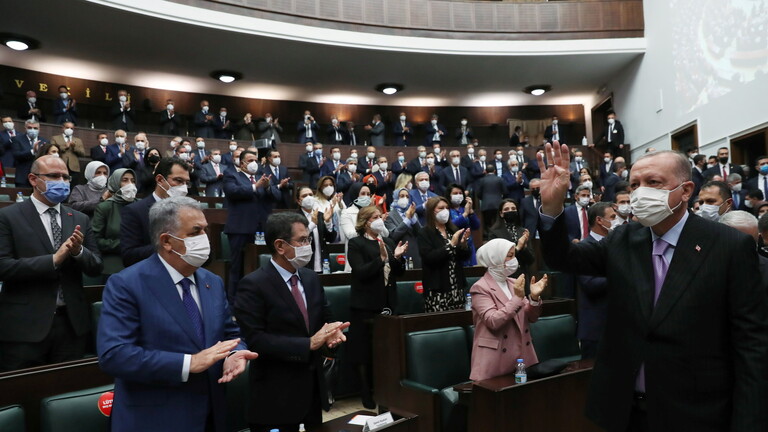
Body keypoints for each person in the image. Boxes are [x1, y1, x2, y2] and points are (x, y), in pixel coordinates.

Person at [536, 143, 768, 431]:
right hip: (624, 410)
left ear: (686, 191)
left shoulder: (729, 246)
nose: (640, 192)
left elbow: (751, 343)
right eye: (634, 184)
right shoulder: (623, 238)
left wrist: (749, 422)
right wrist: (552, 206)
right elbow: (563, 257)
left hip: (696, 412)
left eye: (653, 182)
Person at [98, 196, 256, 432]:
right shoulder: (126, 284)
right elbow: (115, 355)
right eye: (195, 232)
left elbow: (230, 334)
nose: (205, 238)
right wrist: (188, 363)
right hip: (156, 418)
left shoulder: (211, 281)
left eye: (205, 230)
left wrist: (235, 353)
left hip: (211, 414)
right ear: (167, 241)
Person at [234, 212, 349, 432]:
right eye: (302, 240)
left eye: (308, 239)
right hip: (276, 395)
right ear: (280, 246)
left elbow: (325, 317)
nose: (308, 245)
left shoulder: (310, 277)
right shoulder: (253, 284)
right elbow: (256, 340)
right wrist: (308, 344)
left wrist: (333, 332)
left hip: (312, 391)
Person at [0, 156, 103, 371]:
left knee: (66, 393)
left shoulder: (79, 218)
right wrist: (53, 260)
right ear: (33, 179)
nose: (62, 181)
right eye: (54, 176)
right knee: (23, 395)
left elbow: (96, 266)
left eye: (66, 177)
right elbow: (4, 267)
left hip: (71, 325)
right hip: (24, 328)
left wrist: (78, 252)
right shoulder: (7, 217)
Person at [348, 205, 407, 408]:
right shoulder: (356, 243)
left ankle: (386, 390)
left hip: (388, 303)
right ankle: (366, 393)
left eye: (380, 216)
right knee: (365, 352)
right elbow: (361, 272)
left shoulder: (388, 241)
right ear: (365, 222)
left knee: (387, 351)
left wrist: (397, 258)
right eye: (375, 217)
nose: (380, 219)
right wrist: (381, 260)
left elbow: (398, 273)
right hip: (365, 305)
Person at [469, 239, 547, 381]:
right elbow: (493, 321)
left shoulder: (512, 282)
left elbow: (531, 317)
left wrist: (534, 299)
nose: (514, 260)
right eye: (509, 256)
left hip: (522, 356)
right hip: (495, 359)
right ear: (494, 258)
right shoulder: (480, 288)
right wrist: (517, 298)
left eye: (514, 256)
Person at [222, 150, 275, 302]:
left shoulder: (262, 177)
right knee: (237, 267)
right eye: (250, 160)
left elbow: (276, 196)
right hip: (240, 228)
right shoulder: (232, 175)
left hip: (261, 229)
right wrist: (254, 187)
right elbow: (232, 192)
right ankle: (233, 303)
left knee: (260, 266)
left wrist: (267, 187)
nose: (254, 163)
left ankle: (256, 300)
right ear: (242, 162)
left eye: (256, 160)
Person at [120, 157, 191, 267]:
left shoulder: (190, 212)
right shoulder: (135, 211)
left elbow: (207, 256)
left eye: (186, 183)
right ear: (160, 180)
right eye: (178, 181)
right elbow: (129, 256)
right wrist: (169, 244)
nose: (184, 187)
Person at [576, 202, 615, 360]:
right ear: (599, 220)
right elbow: (590, 284)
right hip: (596, 327)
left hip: (618, 325)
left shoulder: (617, 245)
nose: (616, 221)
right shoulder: (584, 249)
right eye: (612, 217)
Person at [418, 197, 471, 312]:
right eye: (441, 208)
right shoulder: (425, 232)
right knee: (441, 324)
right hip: (437, 288)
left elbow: (464, 257)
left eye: (447, 208)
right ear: (432, 211)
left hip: (456, 285)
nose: (445, 210)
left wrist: (463, 244)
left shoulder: (453, 229)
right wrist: (451, 244)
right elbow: (430, 258)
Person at [93, 168, 137, 278]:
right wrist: (123, 244)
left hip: (139, 263)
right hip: (113, 265)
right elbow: (96, 240)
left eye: (133, 181)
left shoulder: (140, 205)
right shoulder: (105, 207)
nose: (130, 184)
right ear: (116, 183)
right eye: (125, 180)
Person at [488, 199, 534, 284]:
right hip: (504, 279)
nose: (510, 211)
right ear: (501, 214)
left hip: (522, 277)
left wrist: (524, 248)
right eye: (506, 209)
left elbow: (531, 260)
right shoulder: (494, 233)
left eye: (513, 209)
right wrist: (518, 248)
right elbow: (497, 259)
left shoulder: (523, 231)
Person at [295, 186, 337, 273]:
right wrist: (312, 224)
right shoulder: (294, 218)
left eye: (311, 195)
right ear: (299, 201)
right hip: (305, 264)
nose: (308, 197)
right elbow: (297, 238)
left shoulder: (321, 215)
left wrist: (328, 222)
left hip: (323, 264)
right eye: (304, 196)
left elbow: (331, 239)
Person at [385, 187, 422, 268]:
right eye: (402, 196)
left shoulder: (414, 214)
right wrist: (407, 219)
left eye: (407, 196)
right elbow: (394, 235)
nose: (405, 198)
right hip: (399, 253)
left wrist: (412, 218)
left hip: (414, 252)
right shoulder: (389, 215)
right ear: (396, 197)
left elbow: (420, 233)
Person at [445, 184, 479, 266]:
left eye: (460, 193)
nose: (458, 195)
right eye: (455, 193)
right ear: (449, 195)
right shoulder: (445, 209)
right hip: (455, 245)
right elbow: (450, 225)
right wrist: (465, 214)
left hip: (469, 245)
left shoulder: (465, 208)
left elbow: (476, 226)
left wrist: (471, 212)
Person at [12, 119, 47, 187]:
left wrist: (41, 152)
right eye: (30, 128)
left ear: (39, 129)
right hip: (22, 177)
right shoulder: (17, 139)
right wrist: (32, 151)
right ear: (25, 128)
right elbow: (16, 155)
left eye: (35, 128)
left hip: (39, 178)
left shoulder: (44, 141)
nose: (32, 130)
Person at [474, 165, 508, 236]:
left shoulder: (482, 180)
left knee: (487, 223)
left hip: (486, 204)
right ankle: (498, 235)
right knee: (498, 221)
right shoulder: (500, 179)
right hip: (498, 204)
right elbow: (505, 192)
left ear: (485, 172)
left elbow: (478, 193)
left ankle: (488, 237)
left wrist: (483, 198)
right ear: (494, 171)